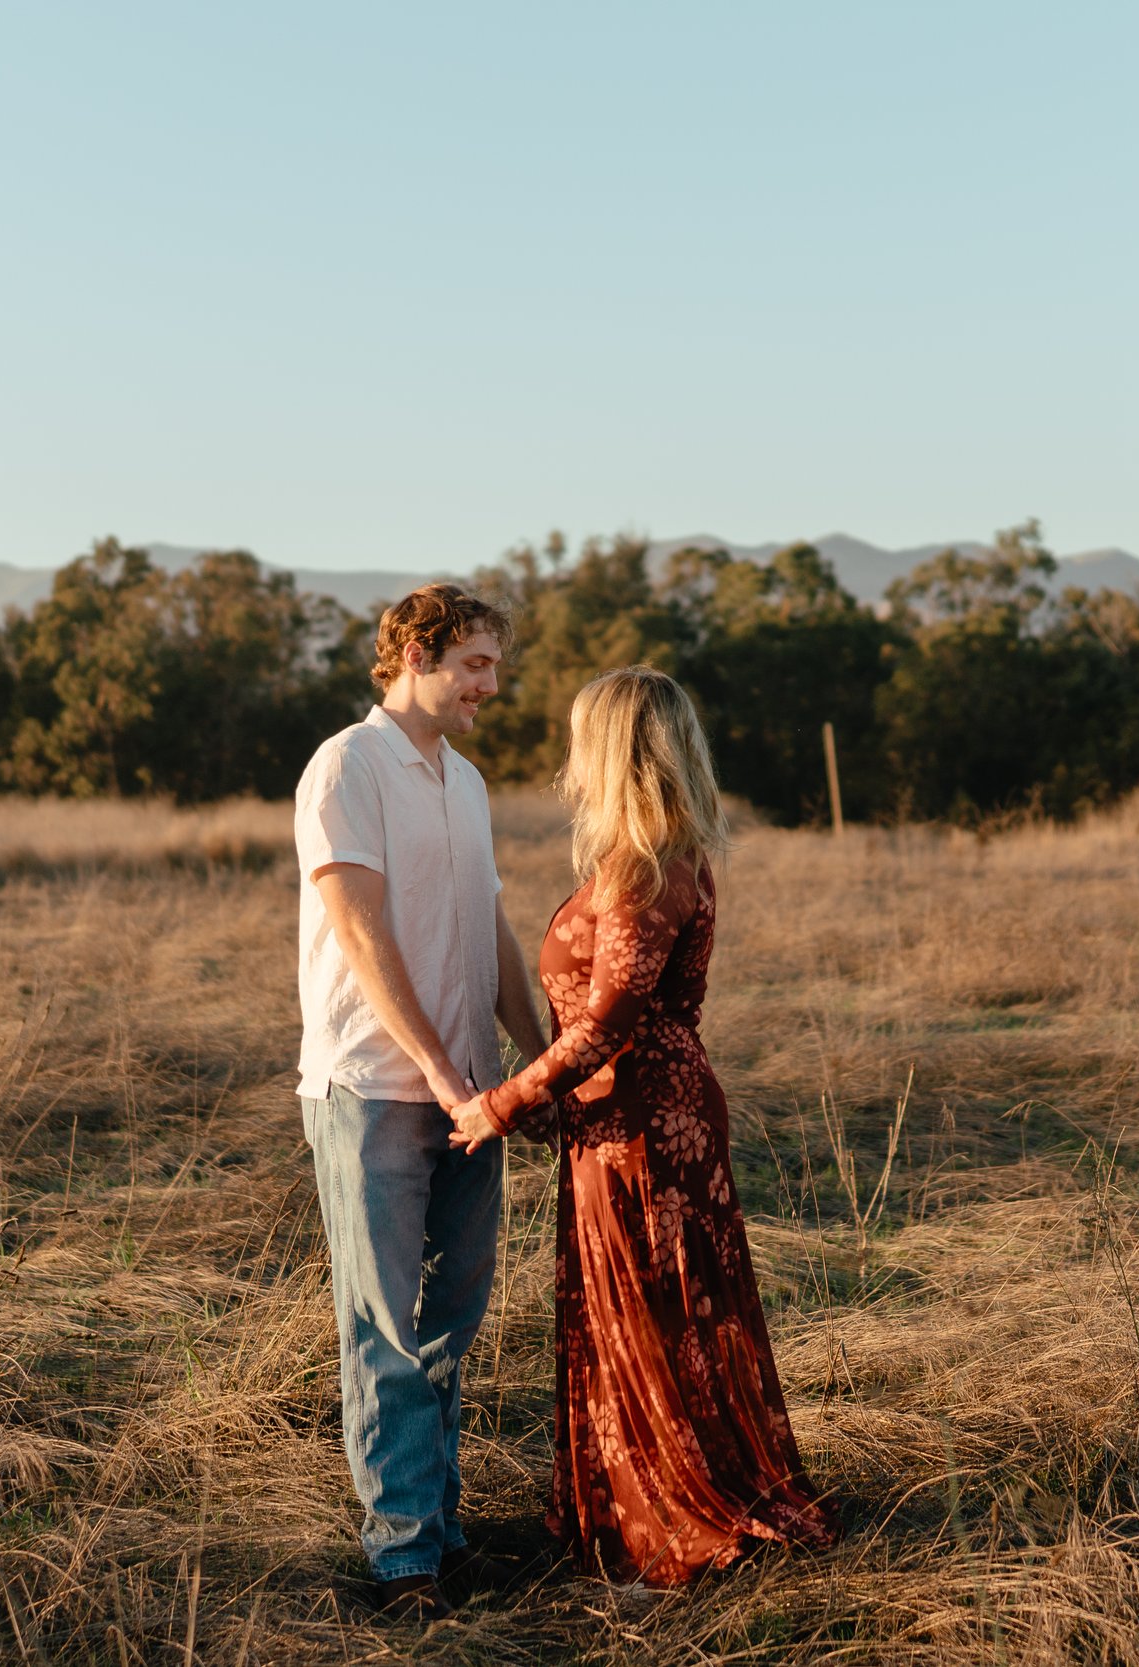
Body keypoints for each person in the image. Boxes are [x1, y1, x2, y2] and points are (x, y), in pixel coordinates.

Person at [448, 665, 840, 1587]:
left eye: (583, 739)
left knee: (654, 1315)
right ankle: (639, 1498)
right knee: (647, 1312)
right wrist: (550, 1102)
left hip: (646, 1129)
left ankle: (675, 1506)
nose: (569, 758)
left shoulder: (644, 866)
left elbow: (609, 1022)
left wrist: (502, 1104)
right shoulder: (657, 855)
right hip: (632, 1117)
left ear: (615, 749)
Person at [294, 583, 548, 1621]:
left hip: (473, 1096)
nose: (493, 683)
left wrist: (544, 1058)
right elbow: (358, 932)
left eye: (494, 663)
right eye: (474, 664)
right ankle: (402, 1560)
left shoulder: (470, 781)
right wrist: (442, 1074)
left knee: (452, 1325)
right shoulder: (347, 765)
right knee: (386, 1332)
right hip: (377, 1089)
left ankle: (440, 1527)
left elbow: (488, 934)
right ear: (412, 651)